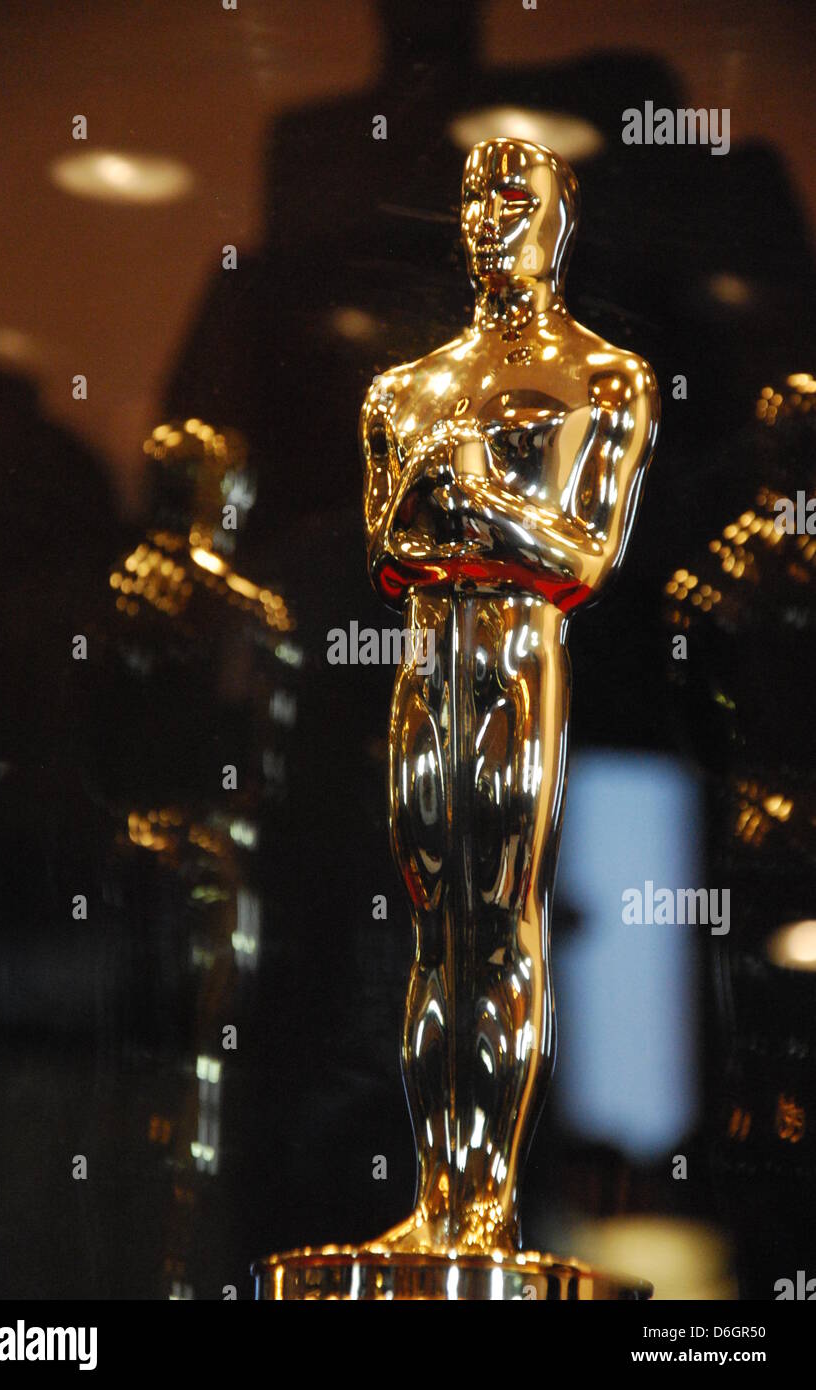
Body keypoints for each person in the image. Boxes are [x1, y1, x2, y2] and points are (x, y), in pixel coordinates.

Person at [359, 139, 659, 1253]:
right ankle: (439, 1203)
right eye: (475, 195)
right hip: (424, 661)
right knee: (434, 929)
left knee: (499, 922)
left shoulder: (606, 376)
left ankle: (487, 1199)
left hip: (518, 657)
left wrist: (476, 499)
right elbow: (391, 544)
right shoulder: (405, 386)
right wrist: (466, 519)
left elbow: (582, 560)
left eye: (514, 195)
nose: (490, 215)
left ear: (559, 220)